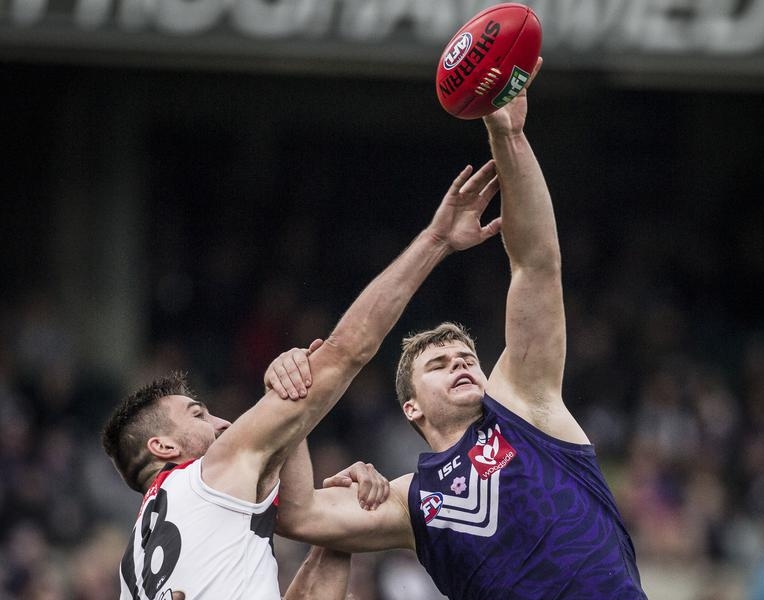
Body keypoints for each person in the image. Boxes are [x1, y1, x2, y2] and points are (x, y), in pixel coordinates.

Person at [267, 58, 649, 599]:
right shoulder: (408, 500)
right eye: (439, 365)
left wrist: (509, 137)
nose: (461, 364)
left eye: (467, 357)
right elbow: (298, 515)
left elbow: (536, 265)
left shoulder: (525, 407)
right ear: (411, 408)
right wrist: (291, 393)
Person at [100, 154, 503, 599]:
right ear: (163, 447)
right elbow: (348, 351)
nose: (223, 423)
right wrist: (435, 241)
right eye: (198, 415)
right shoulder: (209, 474)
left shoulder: (133, 569)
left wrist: (340, 534)